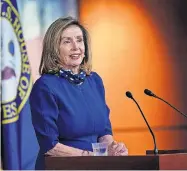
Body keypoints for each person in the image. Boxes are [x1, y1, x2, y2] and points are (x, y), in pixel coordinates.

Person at [30, 17, 128, 160]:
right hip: (62, 167)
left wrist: (114, 148)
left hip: (96, 166)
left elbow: (104, 132)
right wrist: (92, 156)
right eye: (67, 41)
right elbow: (50, 146)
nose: (76, 47)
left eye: (79, 40)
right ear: (54, 48)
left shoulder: (94, 80)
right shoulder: (45, 86)